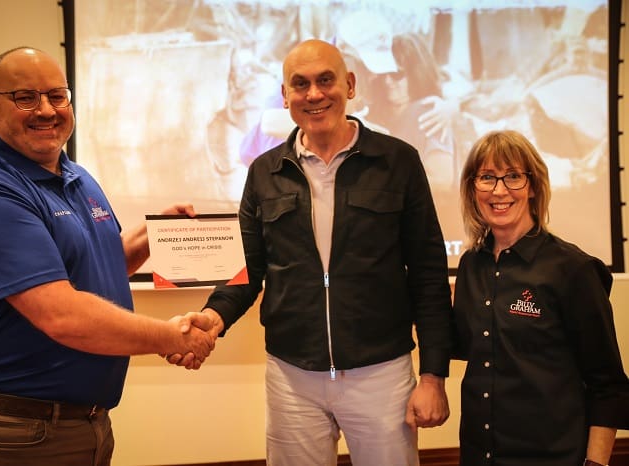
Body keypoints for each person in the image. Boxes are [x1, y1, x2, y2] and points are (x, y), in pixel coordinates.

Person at [171, 38, 453, 465]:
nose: (314, 94)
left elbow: (429, 275)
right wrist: (212, 318)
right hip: (291, 377)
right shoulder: (264, 172)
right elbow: (246, 269)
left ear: (350, 84)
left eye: (326, 80)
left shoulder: (399, 162)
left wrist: (433, 375)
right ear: (285, 96)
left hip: (381, 373)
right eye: (300, 84)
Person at [0, 46, 216, 466]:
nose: (47, 110)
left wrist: (157, 236)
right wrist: (172, 338)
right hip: (13, 434)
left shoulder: (76, 175)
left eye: (57, 95)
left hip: (83, 424)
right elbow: (62, 314)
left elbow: (91, 268)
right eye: (26, 97)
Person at [453, 129, 629, 466]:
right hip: (478, 455)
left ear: (533, 186)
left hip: (552, 456)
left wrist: (596, 463)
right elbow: (464, 347)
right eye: (487, 177)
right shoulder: (470, 265)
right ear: (473, 188)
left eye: (514, 177)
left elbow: (608, 384)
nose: (499, 190)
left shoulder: (573, 269)